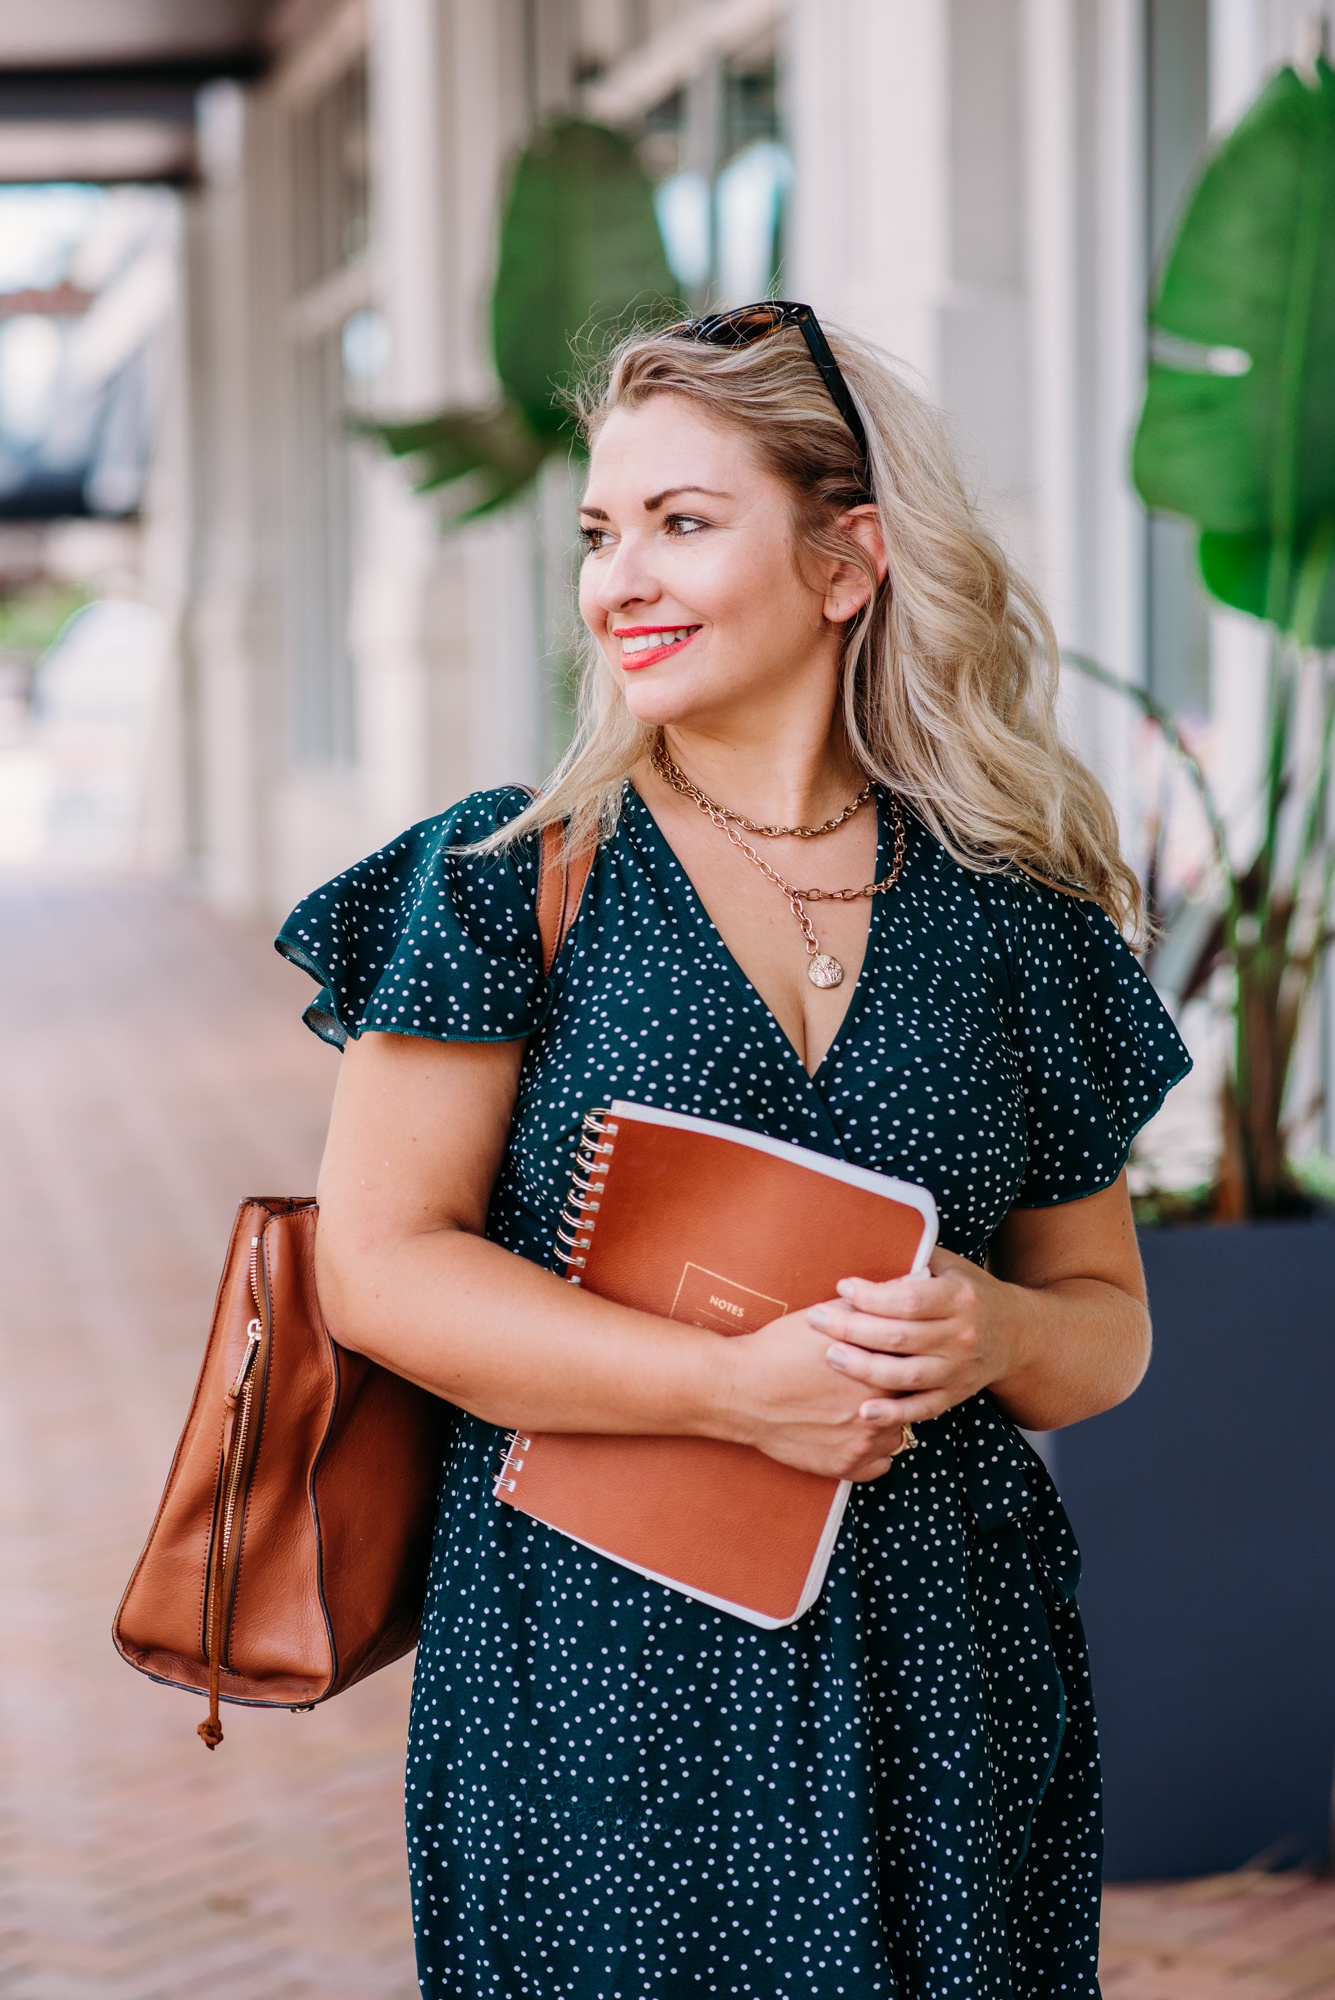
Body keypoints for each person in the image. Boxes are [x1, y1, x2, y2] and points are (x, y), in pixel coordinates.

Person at [277, 303, 1189, 2000]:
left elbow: (1103, 1329)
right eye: (601, 533)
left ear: (850, 561)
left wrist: (995, 1330)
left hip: (943, 1674)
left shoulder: (1016, 916)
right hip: (593, 1672)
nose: (619, 578)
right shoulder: (508, 876)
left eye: (685, 524)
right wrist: (727, 1392)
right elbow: (380, 1265)